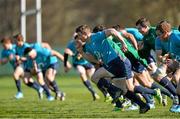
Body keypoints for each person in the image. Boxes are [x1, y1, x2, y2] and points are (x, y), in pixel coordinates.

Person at [75, 24, 150, 113]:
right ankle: (143, 105)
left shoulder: (96, 36)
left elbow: (112, 31)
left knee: (95, 77)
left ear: (84, 33)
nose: (78, 37)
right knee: (124, 91)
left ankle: (115, 91)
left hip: (117, 61)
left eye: (79, 35)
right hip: (112, 64)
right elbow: (95, 60)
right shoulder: (87, 45)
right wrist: (82, 53)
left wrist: (123, 42)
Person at [64, 35, 100, 101]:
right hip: (78, 63)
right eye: (76, 40)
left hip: (87, 63)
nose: (78, 41)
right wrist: (65, 65)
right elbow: (66, 52)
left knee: (93, 77)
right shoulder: (71, 44)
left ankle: (106, 92)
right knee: (81, 72)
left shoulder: (85, 43)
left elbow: (90, 52)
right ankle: (93, 92)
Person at [155, 20, 180, 112]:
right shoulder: (167, 38)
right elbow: (160, 56)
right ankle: (176, 97)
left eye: (159, 34)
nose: (158, 37)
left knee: (176, 78)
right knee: (157, 75)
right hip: (176, 61)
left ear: (165, 32)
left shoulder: (175, 37)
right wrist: (165, 59)